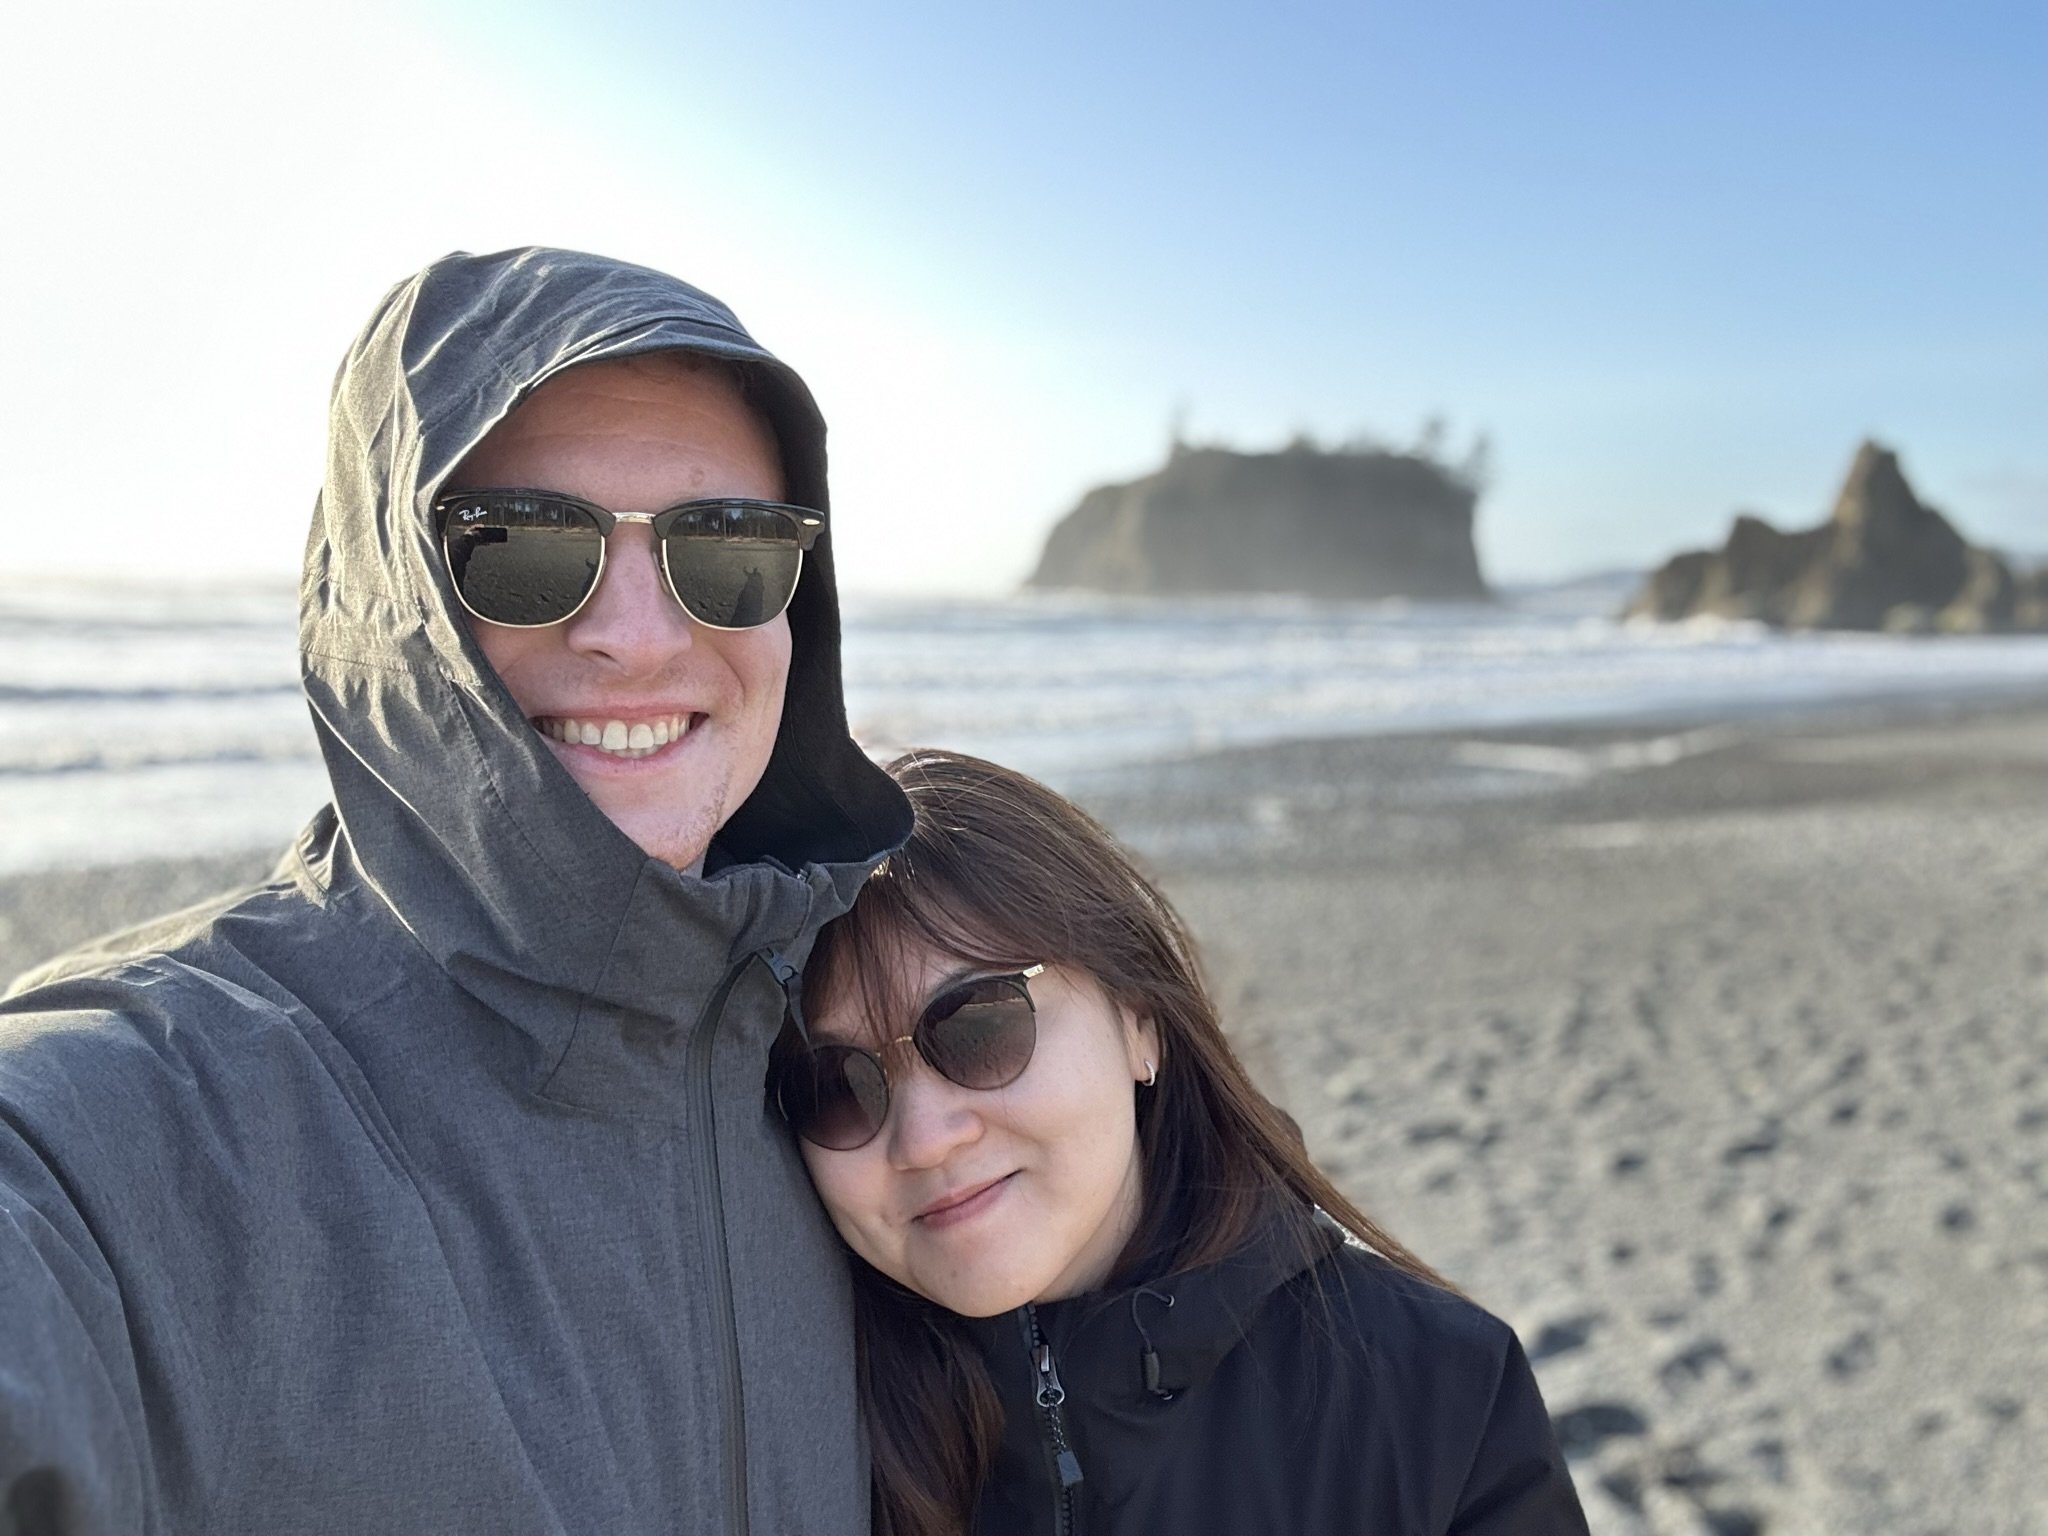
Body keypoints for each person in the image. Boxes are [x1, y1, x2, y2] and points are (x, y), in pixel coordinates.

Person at [0, 248, 911, 1533]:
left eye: (730, 551)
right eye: (527, 548)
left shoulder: (855, 1081)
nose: (639, 635)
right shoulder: (135, 1131)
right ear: (395, 593)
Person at [773, 750, 1591, 1536]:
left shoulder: (1439, 1394)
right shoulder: (783, 1437)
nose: (923, 1139)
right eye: (837, 1086)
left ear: (1140, 1020)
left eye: (978, 1026)